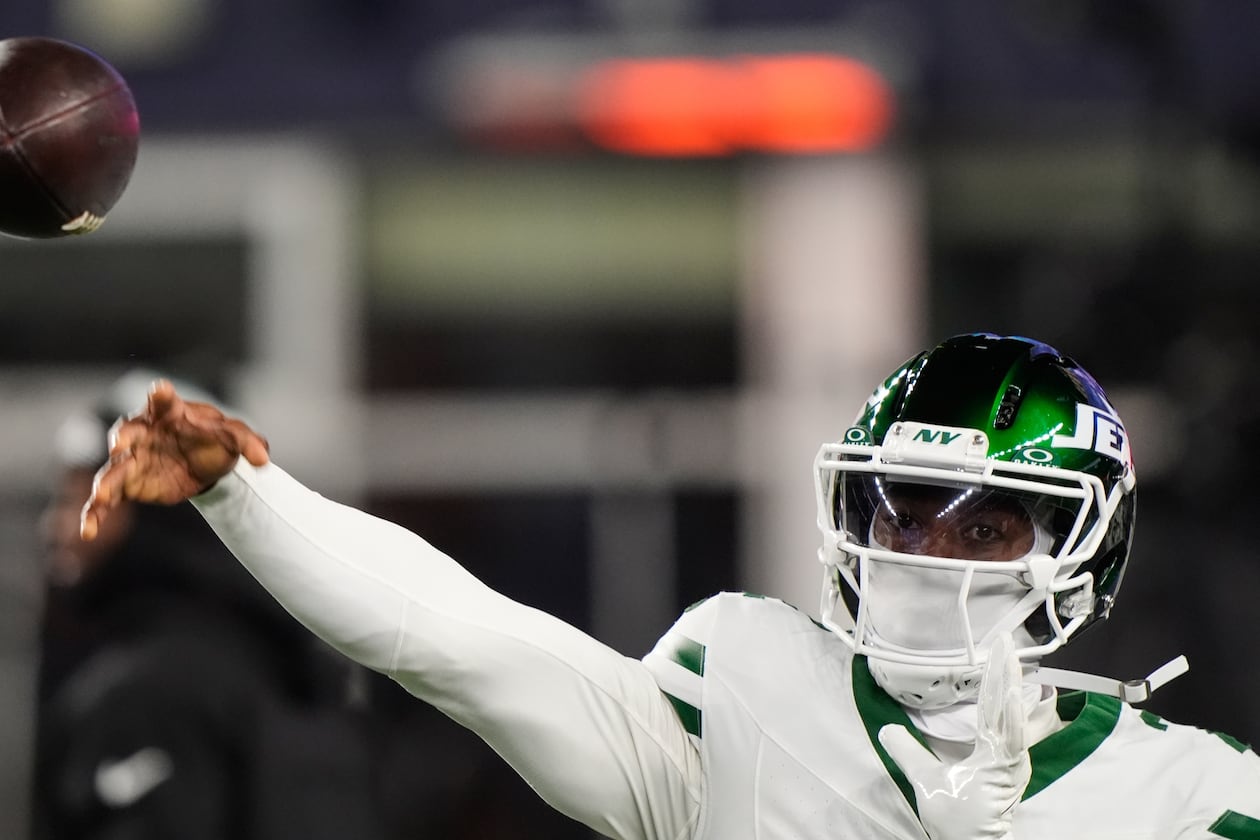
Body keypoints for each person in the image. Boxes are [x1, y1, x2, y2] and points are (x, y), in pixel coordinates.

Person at [79, 334, 1260, 839]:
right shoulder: (749, 692)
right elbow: (460, 642)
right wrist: (248, 498)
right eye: (902, 511)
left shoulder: (1195, 802)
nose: (925, 554)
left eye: (985, 525)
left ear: (1080, 551)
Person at [33, 371, 383, 840]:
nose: (53, 527)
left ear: (155, 501)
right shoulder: (310, 677)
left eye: (75, 497)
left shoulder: (149, 695)